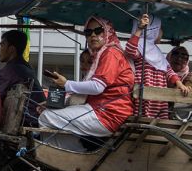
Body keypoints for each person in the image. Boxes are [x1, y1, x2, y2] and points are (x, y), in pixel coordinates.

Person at [41, 16, 135, 150]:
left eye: (98, 31)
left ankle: (62, 156)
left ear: (108, 31)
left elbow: (97, 87)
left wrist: (66, 84)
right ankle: (69, 154)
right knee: (50, 114)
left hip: (108, 114)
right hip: (99, 109)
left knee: (46, 117)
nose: (93, 35)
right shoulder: (101, 54)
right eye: (88, 32)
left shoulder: (111, 53)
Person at [124, 14, 189, 119]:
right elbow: (130, 50)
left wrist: (179, 84)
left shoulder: (156, 51)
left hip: (159, 94)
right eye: (159, 29)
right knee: (143, 116)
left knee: (159, 117)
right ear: (151, 30)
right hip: (144, 92)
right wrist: (139, 29)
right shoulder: (141, 46)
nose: (161, 33)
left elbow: (169, 71)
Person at [0, 29, 46, 126]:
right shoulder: (25, 67)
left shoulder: (11, 70)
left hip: (23, 123)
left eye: (2, 45)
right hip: (35, 120)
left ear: (11, 49)